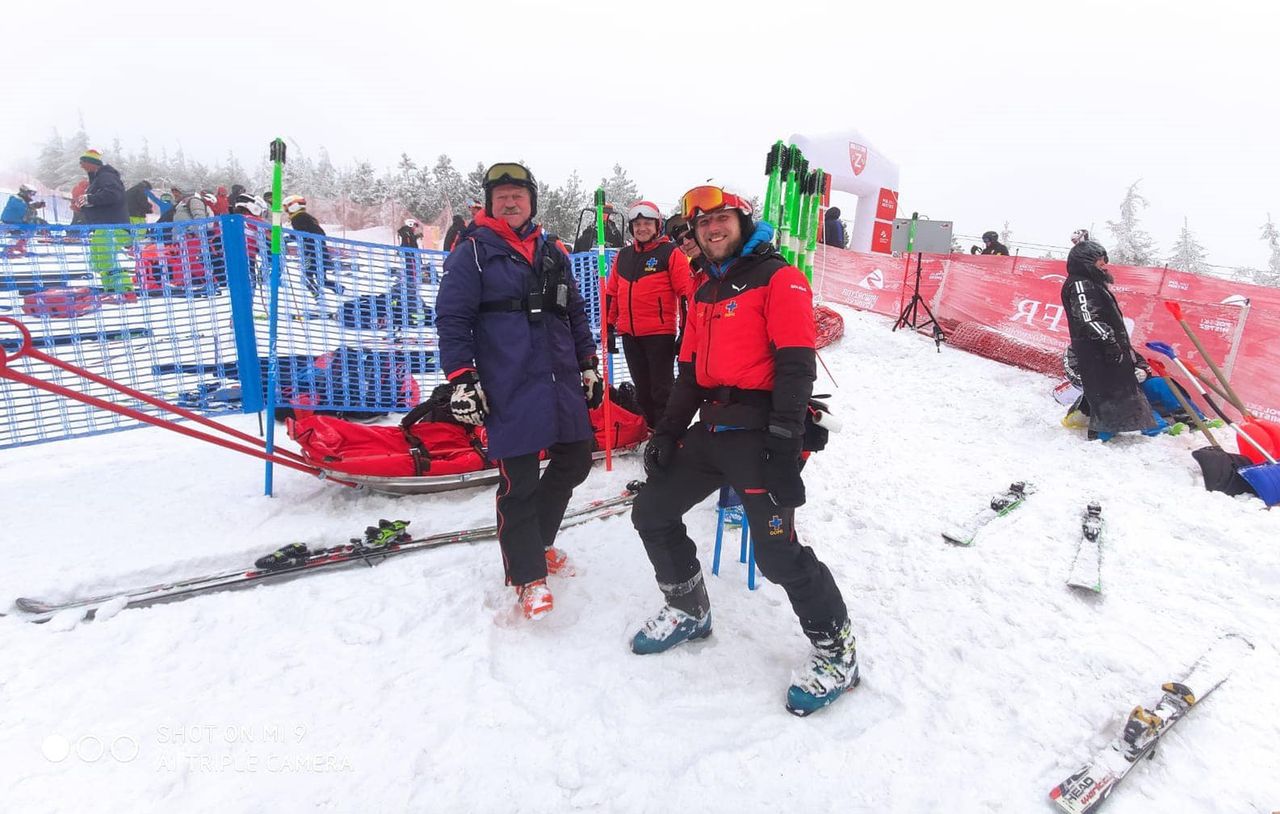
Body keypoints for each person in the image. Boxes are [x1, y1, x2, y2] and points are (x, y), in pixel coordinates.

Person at [629, 184, 856, 717]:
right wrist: (665, 432)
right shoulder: (705, 290)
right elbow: (689, 375)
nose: (711, 230)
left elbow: (797, 367)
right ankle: (689, 609)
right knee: (652, 512)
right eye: (701, 225)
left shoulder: (779, 278)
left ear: (743, 220)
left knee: (778, 554)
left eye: (721, 219)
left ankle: (838, 652)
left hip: (761, 433)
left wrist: (784, 443)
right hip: (713, 428)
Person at [434, 161, 602, 621]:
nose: (511, 202)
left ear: (532, 202)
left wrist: (588, 364)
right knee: (519, 483)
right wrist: (461, 378)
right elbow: (452, 319)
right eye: (502, 196)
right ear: (490, 204)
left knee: (576, 458)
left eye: (519, 195)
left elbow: (576, 312)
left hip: (560, 377)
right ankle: (528, 576)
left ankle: (539, 542)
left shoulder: (553, 251)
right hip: (508, 383)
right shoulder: (471, 250)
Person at [604, 200, 696, 427]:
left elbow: (685, 294)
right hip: (629, 333)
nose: (642, 228)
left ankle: (667, 431)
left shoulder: (670, 253)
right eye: (637, 224)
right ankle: (649, 428)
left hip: (659, 333)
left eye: (647, 223)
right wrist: (608, 325)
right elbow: (612, 293)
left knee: (661, 388)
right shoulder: (623, 256)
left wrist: (685, 331)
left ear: (657, 226)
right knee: (641, 388)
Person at [1060, 240, 1158, 440]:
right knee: (1106, 392)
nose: (1104, 265)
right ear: (1087, 261)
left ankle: (1109, 429)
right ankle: (1101, 433)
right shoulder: (1080, 283)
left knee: (1114, 390)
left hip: (1104, 348)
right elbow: (1087, 318)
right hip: (1096, 351)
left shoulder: (1091, 282)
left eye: (1104, 260)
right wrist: (1109, 340)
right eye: (1099, 261)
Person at [77, 149, 132, 291]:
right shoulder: (97, 179)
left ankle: (125, 289)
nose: (81, 166)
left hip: (112, 226)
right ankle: (111, 289)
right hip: (102, 227)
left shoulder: (106, 176)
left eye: (82, 163)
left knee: (107, 259)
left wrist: (90, 199)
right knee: (99, 261)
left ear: (92, 163)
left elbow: (114, 195)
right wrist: (85, 206)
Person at [283, 195, 343, 298]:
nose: (286, 211)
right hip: (320, 251)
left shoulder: (298, 218)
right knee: (322, 280)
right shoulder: (308, 217)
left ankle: (318, 298)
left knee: (307, 277)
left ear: (293, 206)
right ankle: (342, 291)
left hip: (311, 252)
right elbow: (317, 233)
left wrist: (286, 239)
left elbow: (301, 234)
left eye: (286, 208)